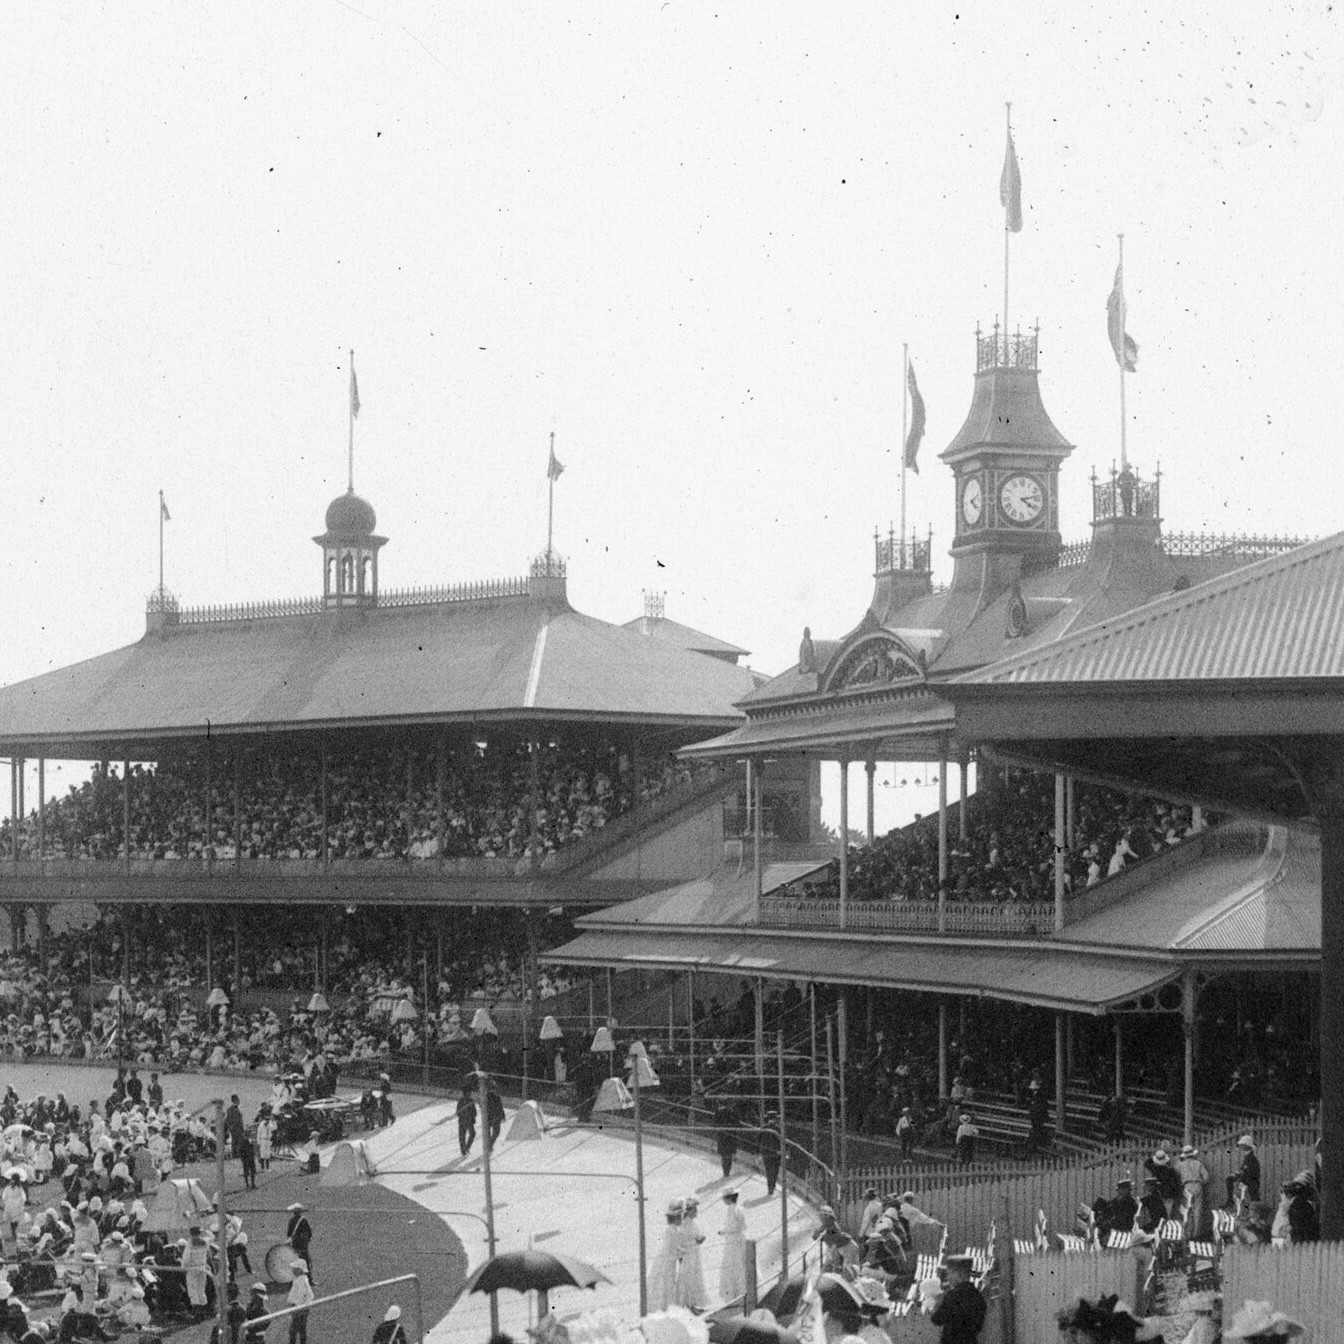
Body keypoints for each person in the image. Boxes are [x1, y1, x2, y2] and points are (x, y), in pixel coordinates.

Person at [929, 1255, 987, 1344]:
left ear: (959, 1275)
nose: (947, 1278)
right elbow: (978, 1326)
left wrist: (936, 1301)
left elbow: (936, 1319)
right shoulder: (978, 1297)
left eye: (950, 1273)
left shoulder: (952, 1296)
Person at [647, 1203, 682, 1312]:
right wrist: (678, 1255)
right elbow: (667, 1250)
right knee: (664, 1283)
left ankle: (667, 1308)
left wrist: (680, 1253)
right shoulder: (669, 1231)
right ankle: (662, 1309)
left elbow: (674, 1247)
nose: (681, 1219)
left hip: (671, 1262)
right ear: (674, 1219)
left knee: (670, 1283)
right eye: (679, 1217)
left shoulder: (676, 1231)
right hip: (665, 1262)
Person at [717, 1190, 746, 1304]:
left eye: (725, 1198)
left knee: (735, 1263)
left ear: (729, 1198)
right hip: (734, 1239)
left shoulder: (735, 1210)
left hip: (734, 1240)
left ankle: (738, 1292)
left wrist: (724, 1231)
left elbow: (738, 1226)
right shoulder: (735, 1209)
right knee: (734, 1264)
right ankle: (735, 1292)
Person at [1227, 1134, 1261, 1207]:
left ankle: (1230, 1201)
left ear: (1247, 1146)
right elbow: (1244, 1169)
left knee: (1253, 1202)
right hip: (1248, 1180)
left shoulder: (1251, 1158)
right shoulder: (1248, 1157)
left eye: (1242, 1145)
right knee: (1229, 1179)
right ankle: (1230, 1200)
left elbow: (1249, 1172)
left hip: (1251, 1182)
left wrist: (1241, 1179)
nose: (1241, 1147)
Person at [286, 1262, 313, 1344]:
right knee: (302, 1328)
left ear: (299, 1270)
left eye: (295, 1268)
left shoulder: (300, 1281)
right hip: (303, 1307)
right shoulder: (301, 1279)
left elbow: (302, 1295)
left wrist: (296, 1308)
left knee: (294, 1329)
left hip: (299, 1308)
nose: (293, 1270)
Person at [287, 1203, 314, 1282]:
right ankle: (310, 1280)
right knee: (306, 1262)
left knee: (296, 1262)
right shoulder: (303, 1220)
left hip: (294, 1244)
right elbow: (309, 1232)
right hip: (302, 1245)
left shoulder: (291, 1220)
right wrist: (307, 1240)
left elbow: (289, 1234)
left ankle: (294, 1279)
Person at [713, 1101, 739, 1179]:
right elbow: (737, 1122)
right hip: (730, 1136)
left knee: (724, 1155)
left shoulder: (718, 1112)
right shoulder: (731, 1112)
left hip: (722, 1136)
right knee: (729, 1154)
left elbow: (714, 1123)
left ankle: (725, 1171)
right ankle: (727, 1171)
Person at [758, 1113, 781, 1196]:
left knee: (768, 1170)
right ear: (775, 1119)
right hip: (776, 1153)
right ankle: (773, 1186)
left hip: (766, 1153)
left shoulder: (763, 1128)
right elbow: (783, 1141)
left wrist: (759, 1152)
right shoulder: (778, 1129)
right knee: (775, 1170)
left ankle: (770, 1188)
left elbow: (758, 1140)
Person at [456, 1089, 477, 1157]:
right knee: (472, 1134)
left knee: (462, 1136)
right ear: (467, 1093)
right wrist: (472, 1118)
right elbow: (474, 1112)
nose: (471, 1094)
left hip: (462, 1120)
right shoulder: (470, 1101)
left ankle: (463, 1150)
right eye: (470, 1092)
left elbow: (458, 1112)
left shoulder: (461, 1101)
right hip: (468, 1121)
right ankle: (466, 1148)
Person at [485, 1085, 505, 1151]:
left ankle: (489, 1145)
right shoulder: (496, 1097)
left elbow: (500, 1107)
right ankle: (489, 1145)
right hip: (494, 1116)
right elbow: (500, 1107)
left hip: (490, 1116)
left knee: (491, 1132)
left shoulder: (486, 1097)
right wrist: (503, 1115)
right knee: (495, 1132)